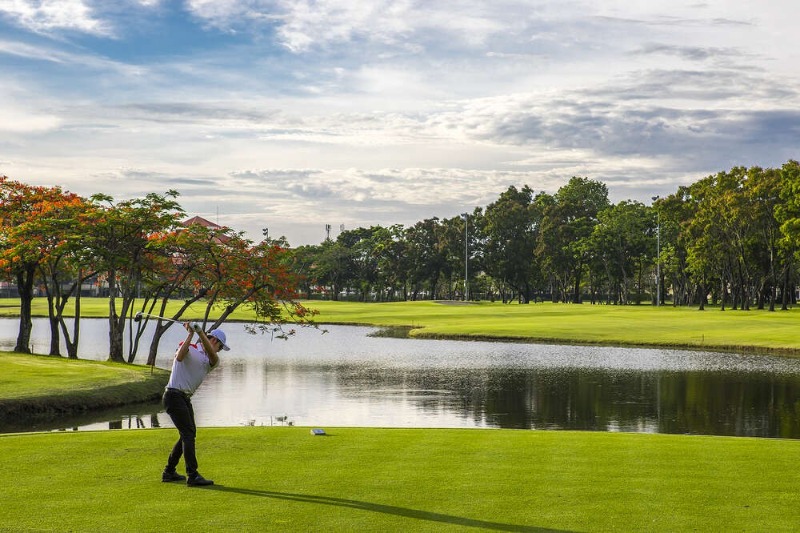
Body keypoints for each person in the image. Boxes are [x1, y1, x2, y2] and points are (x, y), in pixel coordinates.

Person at [161, 322, 230, 487]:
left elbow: (213, 355)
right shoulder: (190, 347)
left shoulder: (212, 360)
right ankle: (192, 475)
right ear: (214, 341)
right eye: (220, 346)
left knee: (187, 434)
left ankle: (169, 471)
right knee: (188, 434)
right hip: (173, 395)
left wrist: (199, 332)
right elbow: (179, 357)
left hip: (184, 398)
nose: (219, 350)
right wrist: (191, 334)